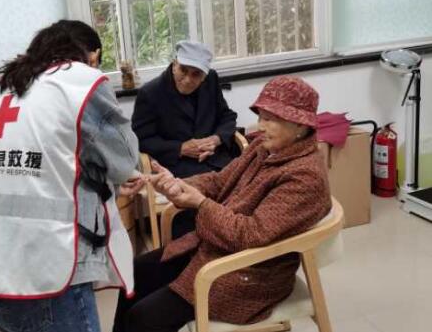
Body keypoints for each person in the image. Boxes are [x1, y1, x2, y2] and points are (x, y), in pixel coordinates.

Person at [0, 19, 145, 332]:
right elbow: (125, 160)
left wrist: (107, 187)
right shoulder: (78, 82)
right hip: (45, 274)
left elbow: (43, 171)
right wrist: (114, 177)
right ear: (91, 56)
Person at [113, 76, 332, 332]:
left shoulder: (304, 177)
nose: (260, 126)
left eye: (270, 119)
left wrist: (200, 204)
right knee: (134, 273)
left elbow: (251, 234)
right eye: (261, 117)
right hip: (219, 248)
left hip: (252, 275)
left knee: (144, 319)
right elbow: (220, 181)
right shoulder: (263, 147)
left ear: (301, 125)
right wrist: (177, 184)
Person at [131, 40, 238, 237]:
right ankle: (194, 244)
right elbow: (141, 139)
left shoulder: (211, 80)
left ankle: (233, 237)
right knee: (190, 207)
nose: (188, 79)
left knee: (243, 187)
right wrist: (180, 148)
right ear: (174, 64)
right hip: (179, 165)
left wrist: (216, 139)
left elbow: (227, 116)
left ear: (204, 76)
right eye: (183, 70)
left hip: (216, 158)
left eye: (196, 74)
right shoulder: (151, 93)